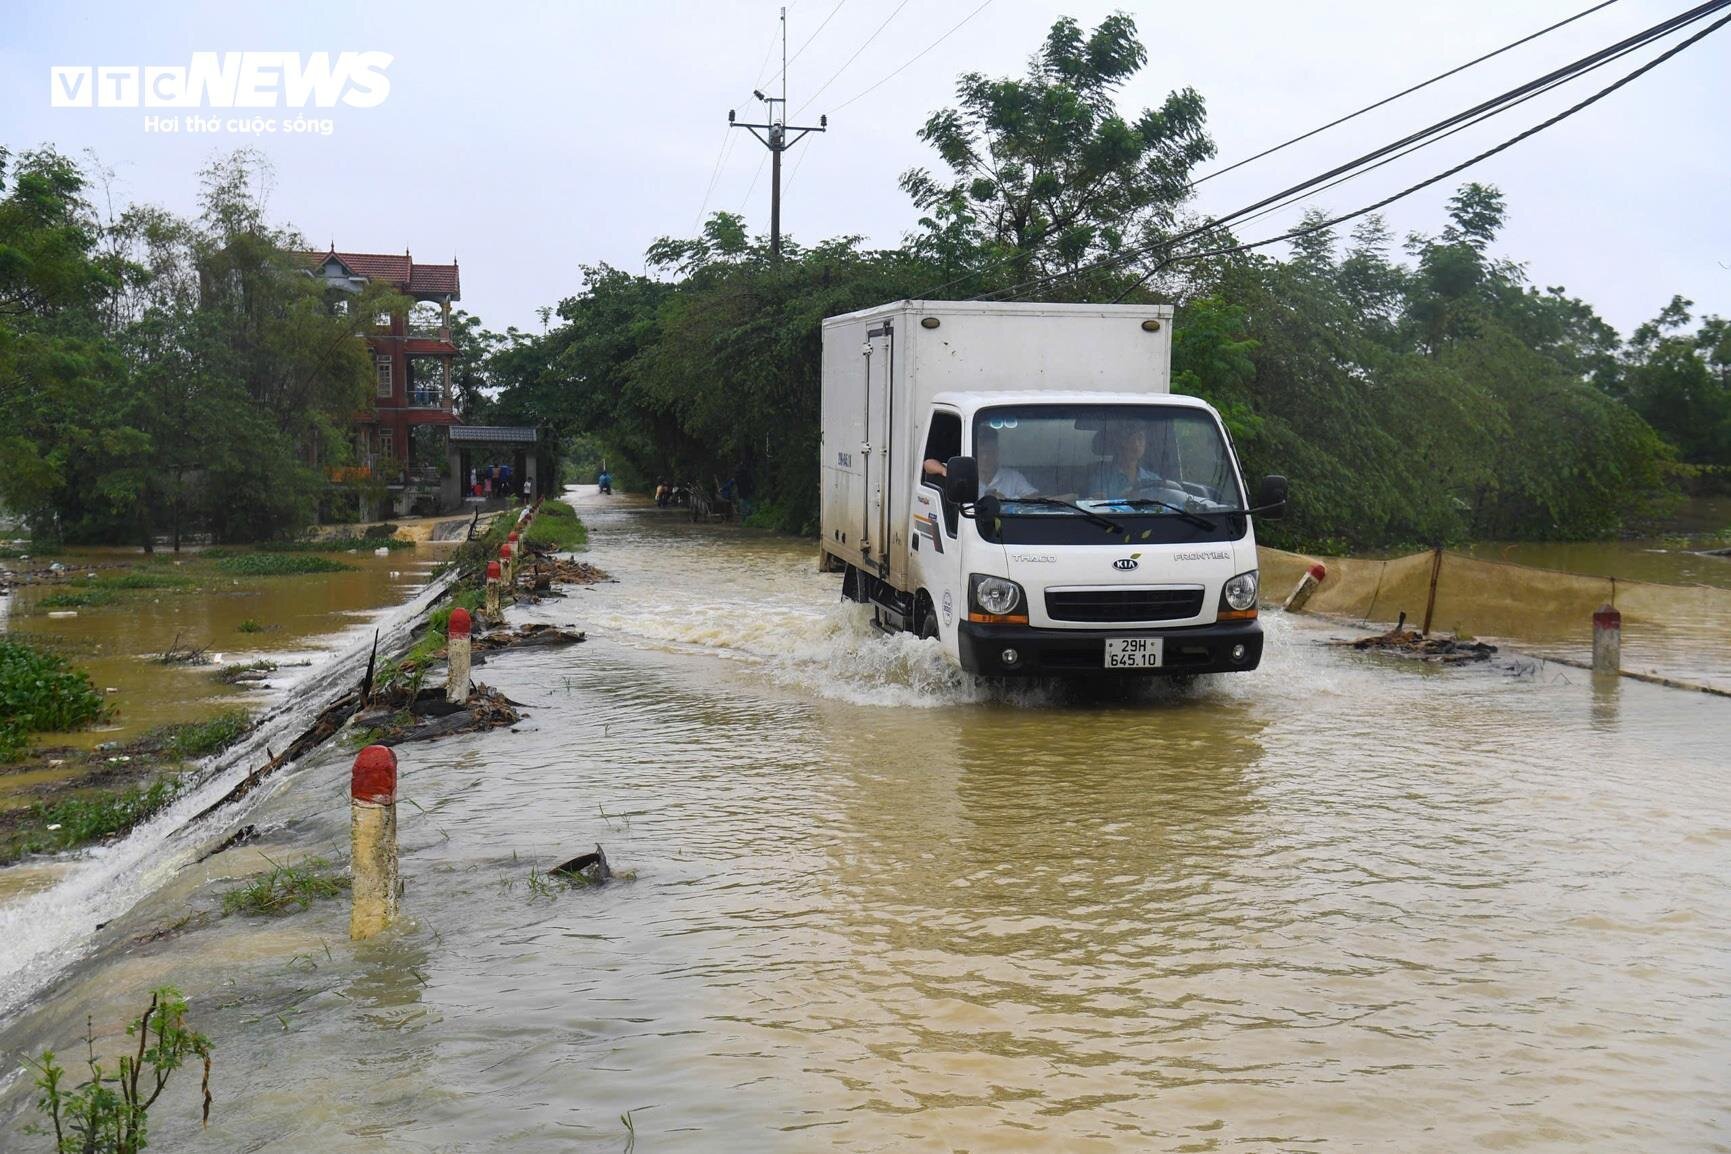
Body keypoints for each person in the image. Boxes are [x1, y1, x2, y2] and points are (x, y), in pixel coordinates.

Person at [923, 426, 1036, 499]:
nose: (985, 457)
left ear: (997, 452)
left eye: (990, 452)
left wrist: (1006, 500)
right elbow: (927, 464)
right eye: (981, 453)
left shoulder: (1012, 477)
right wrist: (945, 471)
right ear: (975, 453)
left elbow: (1034, 497)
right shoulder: (964, 473)